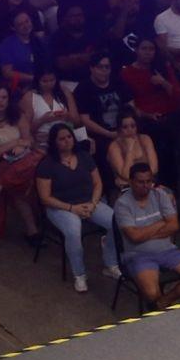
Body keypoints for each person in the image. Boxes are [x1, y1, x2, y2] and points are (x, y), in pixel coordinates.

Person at [34, 122, 120, 293]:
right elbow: (45, 198)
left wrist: (94, 203)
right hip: (60, 207)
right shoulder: (47, 164)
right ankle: (79, 274)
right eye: (61, 139)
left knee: (116, 221)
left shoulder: (84, 157)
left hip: (88, 202)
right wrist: (72, 208)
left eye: (69, 137)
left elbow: (97, 183)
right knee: (74, 230)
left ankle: (111, 263)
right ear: (54, 142)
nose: (66, 141)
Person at [113, 162, 180, 309]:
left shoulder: (160, 195)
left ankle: (165, 301)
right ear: (131, 181)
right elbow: (134, 237)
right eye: (141, 182)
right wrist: (160, 223)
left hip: (167, 249)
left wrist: (144, 233)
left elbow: (174, 225)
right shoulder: (122, 204)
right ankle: (158, 304)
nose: (146, 185)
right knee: (152, 294)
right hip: (138, 255)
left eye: (149, 181)